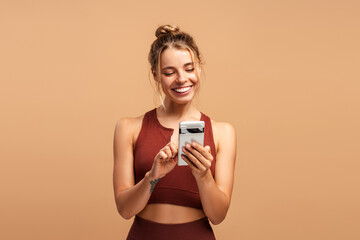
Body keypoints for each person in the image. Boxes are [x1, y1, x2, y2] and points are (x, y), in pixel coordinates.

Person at [113, 24, 237, 240]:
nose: (181, 79)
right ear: (155, 75)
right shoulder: (128, 128)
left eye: (189, 69)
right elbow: (125, 210)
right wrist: (153, 177)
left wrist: (204, 175)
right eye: (169, 72)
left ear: (199, 67)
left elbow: (218, 216)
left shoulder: (223, 133)